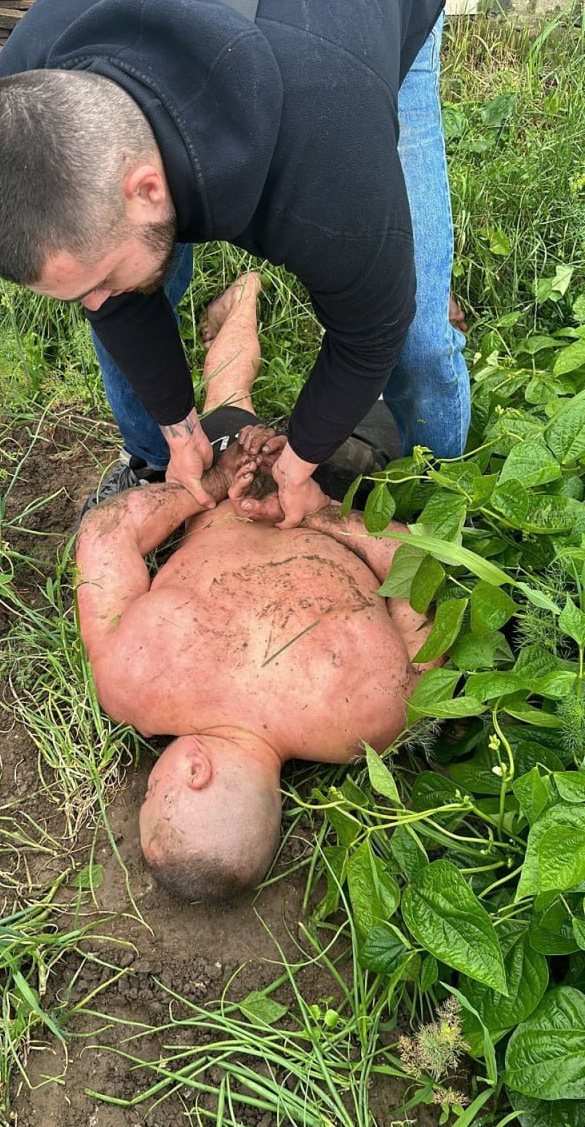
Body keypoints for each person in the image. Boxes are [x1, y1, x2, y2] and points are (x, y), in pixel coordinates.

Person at [0, 0, 469, 529]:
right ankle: (157, 462)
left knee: (416, 339)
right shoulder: (20, 110)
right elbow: (112, 303)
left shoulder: (330, 158)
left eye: (93, 284)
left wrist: (298, 464)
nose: (94, 306)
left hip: (367, 0)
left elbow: (373, 329)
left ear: (147, 188)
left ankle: (439, 495)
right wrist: (180, 430)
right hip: (201, 6)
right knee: (125, 284)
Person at [75, 274, 440, 901]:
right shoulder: (129, 684)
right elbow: (107, 530)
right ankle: (340, 315)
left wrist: (219, 485)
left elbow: (420, 577)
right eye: (152, 797)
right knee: (350, 390)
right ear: (193, 772)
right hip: (318, 492)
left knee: (233, 395)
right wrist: (317, 506)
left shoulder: (377, 721)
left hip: (260, 489)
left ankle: (246, 300)